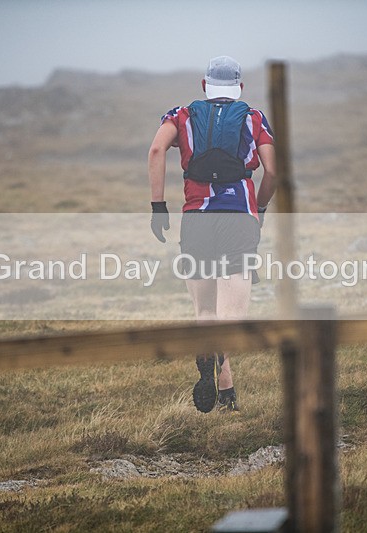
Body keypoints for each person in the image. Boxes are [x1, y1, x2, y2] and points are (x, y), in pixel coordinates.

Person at [147, 56, 277, 413]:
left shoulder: (181, 114)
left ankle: (226, 393)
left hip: (196, 219)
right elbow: (273, 171)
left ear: (204, 86)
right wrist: (260, 207)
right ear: (239, 89)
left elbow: (157, 149)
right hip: (239, 218)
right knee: (231, 315)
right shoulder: (253, 118)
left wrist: (158, 206)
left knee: (205, 310)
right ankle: (220, 367)